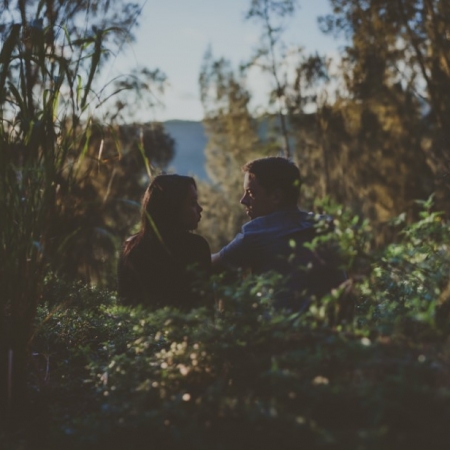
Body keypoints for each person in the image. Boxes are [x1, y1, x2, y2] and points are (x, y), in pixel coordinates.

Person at [212, 157, 346, 311]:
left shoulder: (259, 232)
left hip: (287, 332)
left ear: (276, 196)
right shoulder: (327, 225)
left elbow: (210, 264)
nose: (243, 200)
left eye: (251, 192)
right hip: (339, 331)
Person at [118, 174, 211, 309]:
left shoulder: (131, 248)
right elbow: (205, 307)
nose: (199, 209)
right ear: (173, 207)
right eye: (192, 203)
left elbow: (123, 307)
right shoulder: (196, 247)